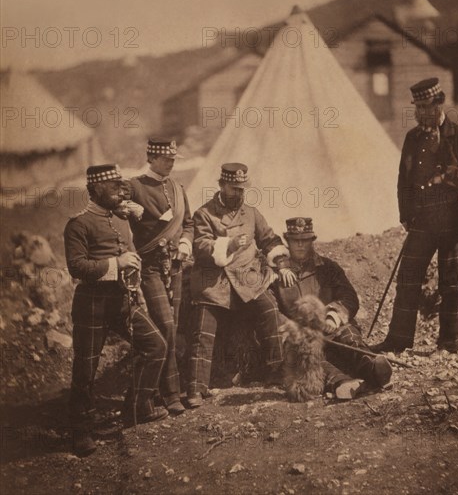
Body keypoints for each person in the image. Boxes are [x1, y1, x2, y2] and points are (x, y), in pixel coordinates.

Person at [373, 78, 458, 353]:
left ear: (440, 104)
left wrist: (450, 175)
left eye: (428, 106)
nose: (423, 112)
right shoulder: (412, 138)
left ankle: (450, 343)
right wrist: (405, 213)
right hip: (423, 220)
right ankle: (398, 340)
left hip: (452, 219)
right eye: (418, 108)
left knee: (450, 280)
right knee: (408, 276)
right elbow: (404, 179)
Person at [64, 164, 168, 457]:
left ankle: (137, 407)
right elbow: (76, 267)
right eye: (112, 187)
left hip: (122, 301)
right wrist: (116, 264)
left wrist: (132, 271)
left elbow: (130, 253)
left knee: (155, 345)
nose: (120, 191)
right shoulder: (79, 224)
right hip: (91, 304)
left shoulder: (121, 220)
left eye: (120, 186)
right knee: (86, 368)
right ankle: (80, 430)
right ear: (94, 190)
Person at [187, 163, 292, 407]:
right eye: (234, 189)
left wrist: (282, 263)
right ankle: (195, 389)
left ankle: (276, 372)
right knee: (202, 330)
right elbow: (200, 248)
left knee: (270, 310)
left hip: (249, 280)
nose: (239, 194)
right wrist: (228, 245)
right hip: (214, 283)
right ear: (221, 185)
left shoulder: (251, 213)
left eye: (242, 189)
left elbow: (269, 239)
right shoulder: (204, 214)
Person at [275, 217, 392, 399]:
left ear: (312, 241)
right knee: (308, 355)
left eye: (305, 240)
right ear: (287, 242)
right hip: (302, 336)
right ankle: (343, 383)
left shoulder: (328, 268)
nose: (300, 245)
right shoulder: (277, 275)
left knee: (350, 337)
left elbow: (349, 297)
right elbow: (270, 309)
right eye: (295, 240)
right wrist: (292, 329)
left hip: (333, 328)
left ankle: (374, 368)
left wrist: (333, 316)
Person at [122, 138, 194, 415]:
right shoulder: (134, 186)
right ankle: (170, 394)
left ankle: (158, 393)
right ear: (151, 158)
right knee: (165, 327)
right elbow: (109, 201)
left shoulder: (177, 188)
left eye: (174, 160)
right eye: (166, 159)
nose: (171, 164)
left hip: (174, 266)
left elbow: (188, 223)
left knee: (172, 326)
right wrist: (126, 207)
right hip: (150, 267)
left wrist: (186, 242)